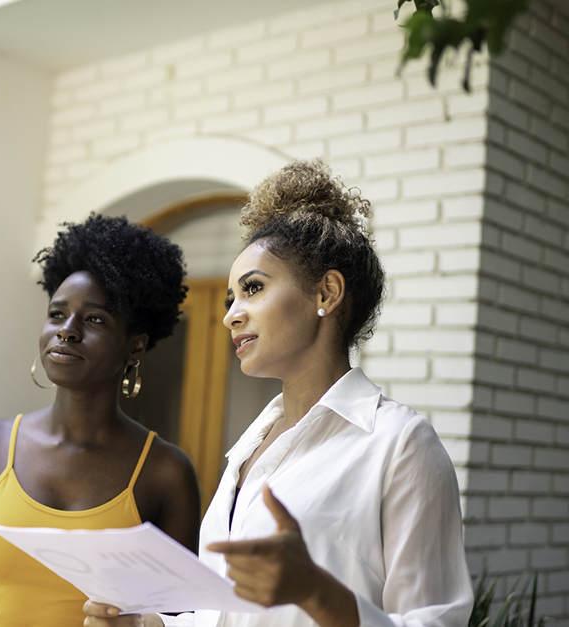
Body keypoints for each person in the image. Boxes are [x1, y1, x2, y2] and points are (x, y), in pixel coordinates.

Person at [84, 160, 473, 627]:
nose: (231, 315)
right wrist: (149, 625)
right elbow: (224, 613)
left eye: (253, 289)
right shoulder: (248, 451)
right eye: (230, 299)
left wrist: (317, 592)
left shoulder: (400, 446)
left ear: (326, 293)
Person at [0, 214, 202, 627]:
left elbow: (178, 618)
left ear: (134, 347)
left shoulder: (165, 473)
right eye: (57, 314)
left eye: (95, 319)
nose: (67, 331)